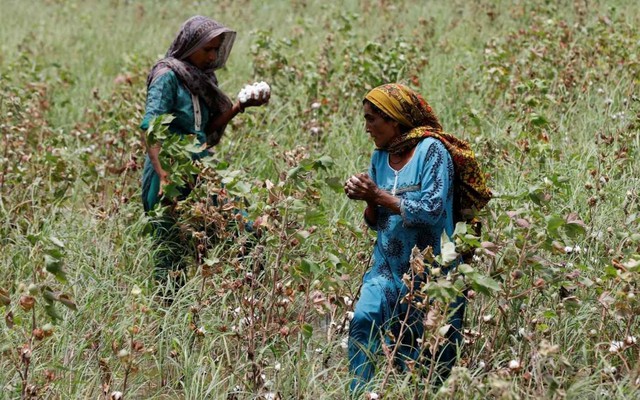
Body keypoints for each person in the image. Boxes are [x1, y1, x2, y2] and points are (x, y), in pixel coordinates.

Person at [344, 83, 491, 391]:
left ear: (394, 120)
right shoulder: (379, 157)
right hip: (387, 266)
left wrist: (378, 195)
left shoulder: (432, 151)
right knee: (363, 319)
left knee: (426, 355)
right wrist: (368, 199)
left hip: (434, 271)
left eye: (372, 118)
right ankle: (358, 394)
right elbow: (377, 222)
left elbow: (431, 211)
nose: (367, 127)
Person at [140, 16, 269, 284]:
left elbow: (205, 130)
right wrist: (164, 176)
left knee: (245, 232)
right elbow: (151, 129)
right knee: (170, 255)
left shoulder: (200, 80)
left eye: (216, 49)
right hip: (170, 172)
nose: (212, 56)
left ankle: (250, 307)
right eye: (207, 49)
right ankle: (166, 317)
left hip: (200, 168)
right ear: (189, 46)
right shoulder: (167, 77)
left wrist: (239, 108)